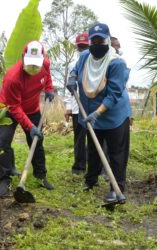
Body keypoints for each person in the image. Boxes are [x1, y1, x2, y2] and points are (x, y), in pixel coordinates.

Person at [67, 23, 131, 203]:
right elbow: (75, 70)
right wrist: (72, 78)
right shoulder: (85, 56)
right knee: (93, 149)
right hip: (90, 113)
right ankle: (90, 180)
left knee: (116, 152)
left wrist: (98, 113)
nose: (96, 43)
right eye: (93, 40)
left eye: (100, 40)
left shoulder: (116, 62)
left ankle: (116, 187)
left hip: (113, 115)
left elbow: (114, 94)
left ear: (107, 40)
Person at [0, 40, 55, 197]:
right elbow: (14, 107)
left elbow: (47, 76)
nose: (33, 69)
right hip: (9, 108)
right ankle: (4, 178)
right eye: (30, 65)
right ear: (23, 58)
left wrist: (49, 89)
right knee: (3, 141)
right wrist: (30, 127)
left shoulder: (45, 64)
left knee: (37, 142)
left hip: (32, 108)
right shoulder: (12, 77)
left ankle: (40, 175)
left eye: (37, 65)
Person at [64, 32, 89, 175]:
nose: (82, 49)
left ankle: (94, 166)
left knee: (94, 137)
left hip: (92, 107)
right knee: (79, 138)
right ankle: (79, 166)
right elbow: (69, 89)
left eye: (84, 46)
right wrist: (68, 107)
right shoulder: (76, 65)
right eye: (80, 47)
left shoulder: (95, 63)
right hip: (77, 108)